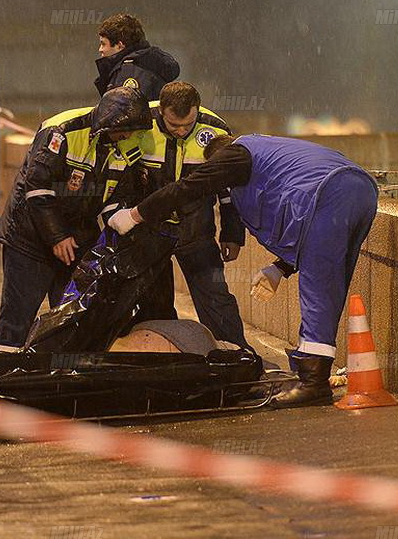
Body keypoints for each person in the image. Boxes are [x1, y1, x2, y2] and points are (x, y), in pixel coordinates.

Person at [108, 134, 379, 408]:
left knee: (317, 291)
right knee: (329, 283)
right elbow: (311, 240)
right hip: (362, 191)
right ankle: (311, 372)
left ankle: (313, 384)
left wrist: (135, 215)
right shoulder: (272, 152)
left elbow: (188, 187)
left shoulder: (237, 154)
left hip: (329, 194)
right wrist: (279, 268)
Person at [0, 87, 152, 353]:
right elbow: (37, 187)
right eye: (127, 129)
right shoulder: (61, 131)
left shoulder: (124, 145)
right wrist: (56, 236)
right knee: (17, 318)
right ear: (109, 121)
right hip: (28, 237)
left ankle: (59, 379)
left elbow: (112, 197)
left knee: (70, 318)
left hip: (75, 240)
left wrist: (124, 223)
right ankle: (3, 377)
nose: (130, 136)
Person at [120, 81, 249, 348]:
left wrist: (232, 233)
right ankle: (165, 358)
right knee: (154, 301)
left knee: (215, 297)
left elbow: (229, 190)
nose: (180, 131)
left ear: (197, 111)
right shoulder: (139, 122)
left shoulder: (215, 130)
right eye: (173, 125)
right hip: (150, 232)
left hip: (196, 230)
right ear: (161, 112)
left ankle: (235, 355)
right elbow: (122, 181)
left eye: (187, 125)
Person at [94, 13, 180, 101]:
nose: (100, 49)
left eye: (103, 43)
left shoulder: (129, 72)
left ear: (120, 45)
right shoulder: (147, 64)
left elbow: (121, 112)